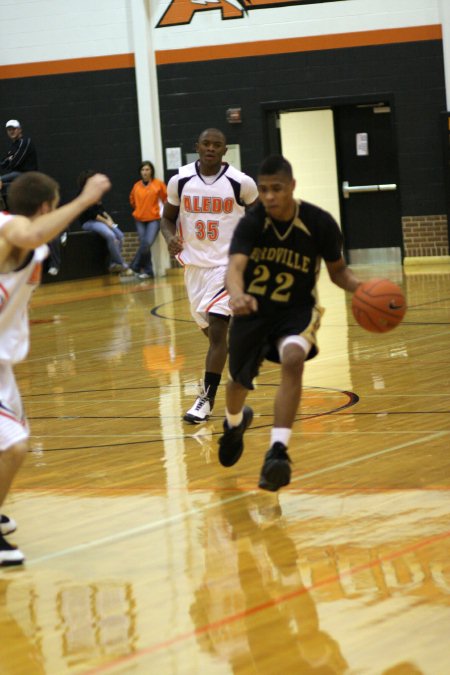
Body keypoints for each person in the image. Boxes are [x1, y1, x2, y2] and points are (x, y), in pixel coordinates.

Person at [218, 155, 362, 491]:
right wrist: (237, 295)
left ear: (292, 187)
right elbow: (234, 269)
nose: (268, 196)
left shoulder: (319, 222)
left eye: (276, 189)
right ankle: (233, 423)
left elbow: (338, 272)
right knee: (238, 384)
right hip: (252, 312)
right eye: (264, 189)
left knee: (294, 359)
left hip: (295, 311)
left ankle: (278, 452)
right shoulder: (253, 222)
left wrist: (364, 289)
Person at [0, 170, 111, 565]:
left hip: (2, 364)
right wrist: (84, 200)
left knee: (12, 442)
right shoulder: (10, 227)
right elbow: (29, 235)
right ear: (47, 205)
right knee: (13, 444)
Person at [161, 128, 258, 424]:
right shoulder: (181, 179)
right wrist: (169, 238)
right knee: (214, 337)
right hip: (195, 267)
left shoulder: (241, 183)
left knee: (217, 329)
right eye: (206, 143)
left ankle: (206, 400)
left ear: (225, 150)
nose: (211, 148)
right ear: (197, 147)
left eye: (217, 145)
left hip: (228, 266)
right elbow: (167, 218)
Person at [77, 169, 133, 276]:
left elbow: (101, 210)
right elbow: (92, 214)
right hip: (89, 222)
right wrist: (106, 222)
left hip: (100, 221)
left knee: (120, 235)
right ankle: (122, 264)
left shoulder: (96, 193)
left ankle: (113, 264)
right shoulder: (82, 194)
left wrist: (110, 219)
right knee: (110, 235)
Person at [129, 160, 167, 279]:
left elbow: (166, 200)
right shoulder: (136, 186)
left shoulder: (158, 184)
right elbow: (132, 201)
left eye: (147, 169)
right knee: (144, 245)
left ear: (151, 171)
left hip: (154, 219)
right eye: (143, 170)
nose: (145, 172)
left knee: (146, 243)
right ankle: (148, 271)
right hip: (139, 219)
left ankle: (133, 266)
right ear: (140, 172)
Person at [0, 120, 38, 205]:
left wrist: (10, 160)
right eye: (9, 130)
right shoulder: (14, 146)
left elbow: (15, 162)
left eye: (14, 129)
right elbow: (3, 163)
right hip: (17, 174)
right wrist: (10, 160)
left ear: (20, 129)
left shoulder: (25, 141)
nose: (11, 131)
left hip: (26, 175)